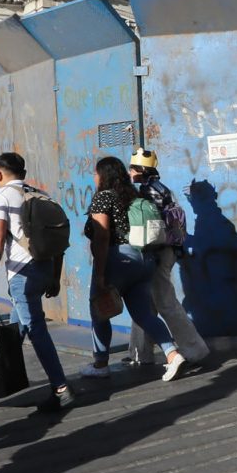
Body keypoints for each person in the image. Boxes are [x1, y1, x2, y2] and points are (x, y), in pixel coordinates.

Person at [0, 152, 74, 412]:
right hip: (44, 269)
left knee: (36, 330)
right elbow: (59, 242)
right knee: (17, 327)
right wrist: (54, 276)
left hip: (23, 274)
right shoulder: (42, 195)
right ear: (23, 172)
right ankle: (2, 378)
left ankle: (61, 388)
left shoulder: (0, 195)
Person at [80, 156, 188, 383]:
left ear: (103, 175)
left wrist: (99, 274)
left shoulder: (103, 198)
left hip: (118, 259)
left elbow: (101, 236)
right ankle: (173, 353)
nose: (94, 176)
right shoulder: (134, 195)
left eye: (96, 172)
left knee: (99, 310)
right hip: (143, 259)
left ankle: (100, 363)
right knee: (143, 314)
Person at [126, 148, 210, 368]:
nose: (129, 171)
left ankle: (195, 350)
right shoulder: (164, 189)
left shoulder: (147, 192)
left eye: (132, 168)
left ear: (141, 170)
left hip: (156, 252)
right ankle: (139, 353)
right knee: (143, 303)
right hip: (167, 251)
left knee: (165, 303)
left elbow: (149, 227)